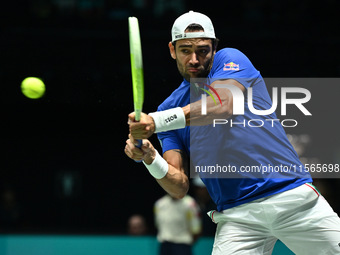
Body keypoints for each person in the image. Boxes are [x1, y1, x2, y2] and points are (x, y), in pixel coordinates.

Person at [124, 10, 340, 254]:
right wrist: (150, 159)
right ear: (173, 50)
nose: (194, 59)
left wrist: (157, 121)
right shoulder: (169, 107)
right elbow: (179, 186)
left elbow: (222, 104)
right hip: (237, 218)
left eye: (202, 50)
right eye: (185, 50)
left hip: (292, 199)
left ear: (214, 48)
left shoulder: (231, 60)